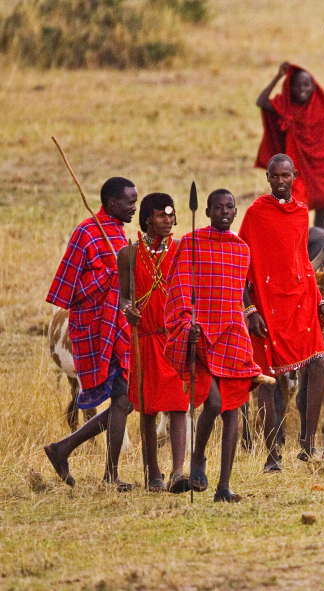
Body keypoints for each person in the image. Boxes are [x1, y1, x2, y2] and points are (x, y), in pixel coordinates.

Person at [164, 189, 271, 503]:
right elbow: (181, 289)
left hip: (232, 335)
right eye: (218, 207)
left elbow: (237, 295)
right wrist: (188, 323)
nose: (225, 212)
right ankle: (197, 459)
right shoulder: (191, 244)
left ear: (235, 212)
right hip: (199, 335)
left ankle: (224, 487)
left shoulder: (241, 250)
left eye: (230, 207)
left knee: (233, 409)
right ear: (207, 211)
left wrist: (247, 317)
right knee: (212, 402)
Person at [239, 154, 324, 471]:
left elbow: (302, 262)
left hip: (300, 300)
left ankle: (307, 444)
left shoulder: (302, 213)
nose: (280, 181)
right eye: (275, 176)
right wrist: (250, 308)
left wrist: (319, 299)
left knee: (319, 362)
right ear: (268, 178)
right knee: (267, 380)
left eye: (285, 176)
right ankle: (272, 454)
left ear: (294, 176)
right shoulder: (255, 214)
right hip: (266, 304)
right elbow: (242, 265)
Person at [44, 177, 137, 490]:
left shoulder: (117, 233)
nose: (134, 208)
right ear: (112, 203)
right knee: (124, 401)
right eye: (129, 203)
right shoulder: (87, 232)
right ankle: (102, 471)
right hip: (93, 328)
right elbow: (68, 288)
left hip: (117, 327)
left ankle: (64, 450)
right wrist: (107, 282)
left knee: (126, 400)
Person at [117, 193, 190, 494]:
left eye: (171, 215)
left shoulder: (182, 250)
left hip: (173, 338)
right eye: (161, 215)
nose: (168, 220)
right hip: (145, 339)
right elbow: (123, 296)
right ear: (147, 218)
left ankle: (178, 471)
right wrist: (127, 310)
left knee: (178, 406)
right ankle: (153, 473)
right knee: (147, 409)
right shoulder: (128, 254)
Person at [256, 62, 324, 229]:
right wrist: (279, 76)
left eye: (307, 84)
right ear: (290, 88)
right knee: (295, 211)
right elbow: (262, 101)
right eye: (298, 85)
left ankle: (318, 245)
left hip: (322, 168)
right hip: (298, 168)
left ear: (313, 87)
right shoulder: (286, 107)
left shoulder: (323, 106)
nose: (303, 89)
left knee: (322, 217)